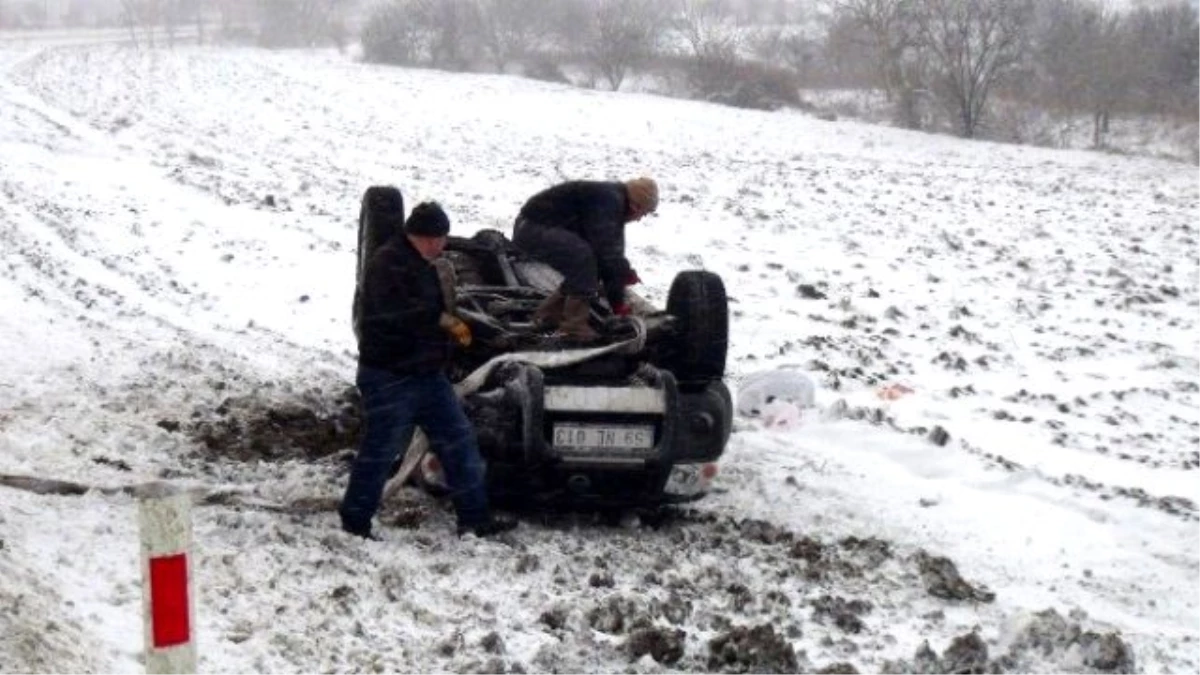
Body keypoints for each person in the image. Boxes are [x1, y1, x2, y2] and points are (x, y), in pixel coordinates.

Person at [340, 201, 517, 539]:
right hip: (390, 375)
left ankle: (475, 520)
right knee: (381, 449)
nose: (442, 245)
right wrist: (442, 321)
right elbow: (396, 316)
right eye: (438, 238)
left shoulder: (423, 263)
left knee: (458, 440)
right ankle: (355, 521)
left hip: (426, 375)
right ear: (420, 236)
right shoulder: (388, 264)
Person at [512, 177, 658, 341]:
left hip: (534, 226)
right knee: (583, 259)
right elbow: (607, 254)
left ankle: (548, 316)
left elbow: (611, 252)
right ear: (635, 205)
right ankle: (573, 327)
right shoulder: (609, 202)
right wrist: (618, 304)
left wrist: (623, 272)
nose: (639, 219)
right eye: (643, 213)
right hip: (531, 228)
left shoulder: (613, 202)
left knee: (587, 263)